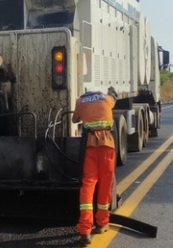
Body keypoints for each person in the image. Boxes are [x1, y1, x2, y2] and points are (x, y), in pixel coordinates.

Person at [71, 89, 117, 245]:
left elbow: (74, 119)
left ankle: (85, 230)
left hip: (90, 146)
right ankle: (102, 223)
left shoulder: (80, 101)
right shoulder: (106, 98)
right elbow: (113, 101)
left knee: (88, 186)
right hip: (107, 146)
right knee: (105, 185)